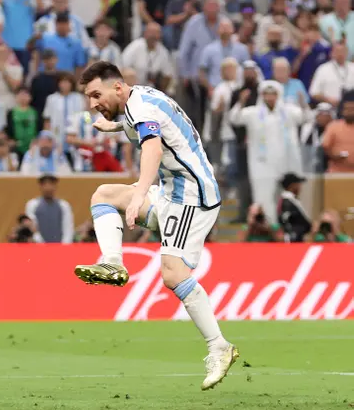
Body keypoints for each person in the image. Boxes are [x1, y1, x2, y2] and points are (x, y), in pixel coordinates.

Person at [73, 61, 237, 391]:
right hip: (173, 191)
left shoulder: (141, 107)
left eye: (95, 95)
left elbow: (152, 146)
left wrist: (140, 195)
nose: (92, 104)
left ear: (117, 87)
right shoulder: (142, 97)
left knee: (173, 274)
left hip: (191, 196)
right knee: (104, 195)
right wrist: (117, 128)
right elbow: (158, 125)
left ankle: (219, 347)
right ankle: (113, 263)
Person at [229, 81, 310, 223]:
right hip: (262, 164)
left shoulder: (289, 111)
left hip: (286, 163)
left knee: (288, 197)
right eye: (266, 94)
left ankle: (289, 228)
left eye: (273, 94)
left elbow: (306, 118)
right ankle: (269, 229)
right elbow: (235, 119)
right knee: (263, 197)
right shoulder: (253, 112)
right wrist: (241, 102)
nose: (270, 97)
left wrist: (303, 104)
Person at [277, 172, 311, 243]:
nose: (300, 186)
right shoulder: (287, 202)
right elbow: (287, 222)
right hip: (294, 240)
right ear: (292, 185)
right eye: (298, 184)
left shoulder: (292, 200)